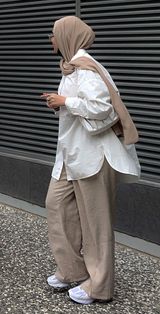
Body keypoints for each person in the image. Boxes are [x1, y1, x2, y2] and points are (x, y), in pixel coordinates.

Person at [42, 16, 140, 305]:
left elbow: (101, 106)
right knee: (56, 206)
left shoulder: (86, 67)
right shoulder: (71, 67)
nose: (51, 39)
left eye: (53, 34)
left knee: (96, 223)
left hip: (93, 157)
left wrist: (65, 102)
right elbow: (81, 106)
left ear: (67, 36)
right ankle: (73, 270)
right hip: (72, 155)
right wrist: (60, 102)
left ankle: (99, 286)